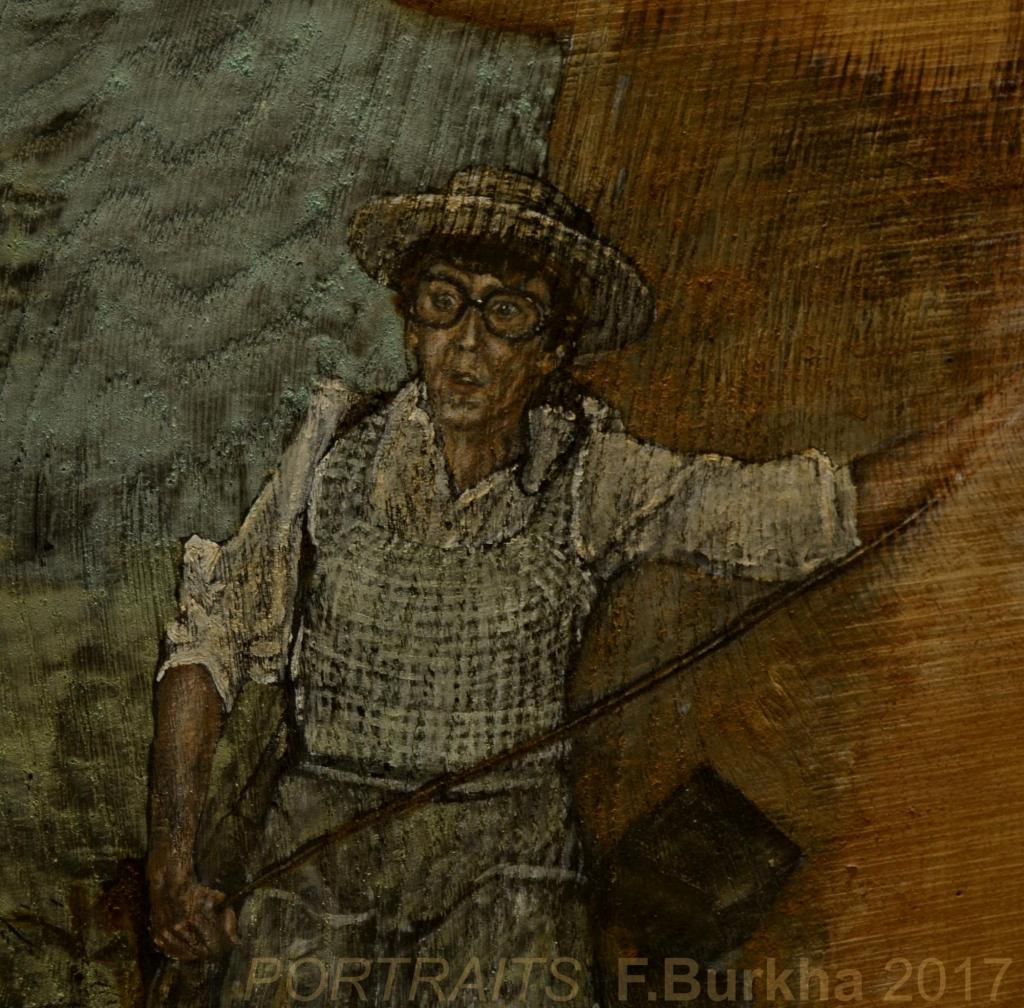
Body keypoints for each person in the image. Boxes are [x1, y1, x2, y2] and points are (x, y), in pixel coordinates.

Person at [146, 166, 1017, 1007]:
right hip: (318, 865)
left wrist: (993, 421)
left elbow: (799, 514)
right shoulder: (334, 453)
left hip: (508, 883)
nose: (467, 343)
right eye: (444, 301)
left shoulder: (592, 474)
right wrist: (172, 863)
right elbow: (210, 640)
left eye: (507, 313)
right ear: (411, 323)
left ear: (553, 349)